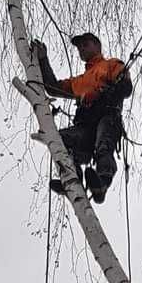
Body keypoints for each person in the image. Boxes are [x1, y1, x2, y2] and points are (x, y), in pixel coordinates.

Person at [31, 31, 132, 204]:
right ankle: (72, 179)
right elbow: (53, 88)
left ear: (97, 46)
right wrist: (42, 59)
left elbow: (126, 88)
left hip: (107, 116)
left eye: (85, 44)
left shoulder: (111, 64)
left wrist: (102, 93)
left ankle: (102, 182)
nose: (82, 49)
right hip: (85, 125)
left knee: (104, 145)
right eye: (79, 47)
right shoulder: (80, 81)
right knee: (59, 139)